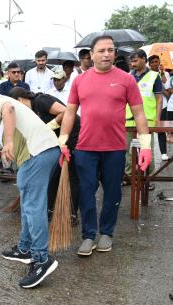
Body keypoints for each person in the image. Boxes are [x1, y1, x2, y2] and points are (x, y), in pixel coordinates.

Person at [59, 35, 152, 256]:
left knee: (112, 193)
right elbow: (70, 112)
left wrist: (146, 145)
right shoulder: (80, 80)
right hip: (85, 148)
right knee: (86, 193)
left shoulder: (126, 79)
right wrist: (62, 141)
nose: (107, 54)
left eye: (110, 50)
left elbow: (139, 113)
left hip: (115, 148)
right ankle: (89, 235)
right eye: (101, 50)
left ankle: (106, 232)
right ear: (91, 55)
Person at [0, 94, 59, 288]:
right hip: (38, 154)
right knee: (28, 204)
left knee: (33, 207)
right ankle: (25, 248)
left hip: (38, 153)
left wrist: (9, 141)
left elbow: (9, 108)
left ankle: (42, 259)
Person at [8, 86, 81, 221]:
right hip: (57, 141)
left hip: (73, 136)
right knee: (53, 176)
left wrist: (49, 126)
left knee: (71, 176)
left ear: (19, 101)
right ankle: (50, 210)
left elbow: (65, 112)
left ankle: (72, 213)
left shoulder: (41, 100)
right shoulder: (32, 112)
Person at [124, 49, 163, 181]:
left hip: (147, 120)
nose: (132, 64)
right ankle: (129, 177)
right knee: (126, 149)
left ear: (144, 59)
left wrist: (158, 118)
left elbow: (159, 99)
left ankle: (149, 178)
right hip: (128, 119)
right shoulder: (129, 76)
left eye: (135, 61)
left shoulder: (154, 76)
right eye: (131, 61)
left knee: (147, 149)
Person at [148, 55, 172, 161]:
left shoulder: (164, 73)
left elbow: (167, 88)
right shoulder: (147, 75)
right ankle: (148, 151)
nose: (155, 64)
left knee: (161, 129)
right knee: (147, 130)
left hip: (163, 105)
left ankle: (163, 152)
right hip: (149, 106)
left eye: (156, 61)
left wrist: (162, 73)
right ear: (149, 64)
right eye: (152, 62)